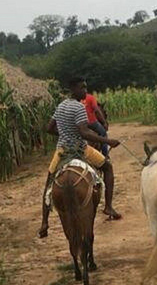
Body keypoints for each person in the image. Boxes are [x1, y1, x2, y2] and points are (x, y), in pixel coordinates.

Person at [38, 77, 122, 239]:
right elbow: (84, 133)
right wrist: (107, 140)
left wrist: (63, 135)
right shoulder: (79, 107)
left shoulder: (60, 105)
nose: (85, 91)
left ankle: (44, 222)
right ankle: (109, 206)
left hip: (61, 150)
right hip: (81, 149)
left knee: (49, 181)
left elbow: (49, 128)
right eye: (82, 88)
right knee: (107, 167)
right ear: (74, 89)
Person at [81, 92, 109, 156]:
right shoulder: (91, 98)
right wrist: (104, 122)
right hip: (91, 122)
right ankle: (105, 155)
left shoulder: (77, 99)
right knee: (103, 134)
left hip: (81, 123)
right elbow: (97, 111)